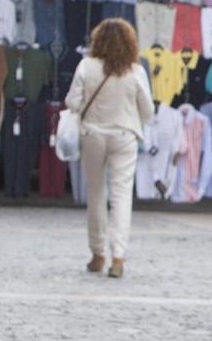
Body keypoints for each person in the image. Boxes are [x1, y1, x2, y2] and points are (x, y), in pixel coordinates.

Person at [64, 17, 154, 278]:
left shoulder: (86, 66)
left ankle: (98, 253)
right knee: (122, 196)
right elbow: (148, 111)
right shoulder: (135, 71)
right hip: (125, 135)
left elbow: (72, 102)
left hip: (93, 133)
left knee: (96, 193)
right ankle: (118, 256)